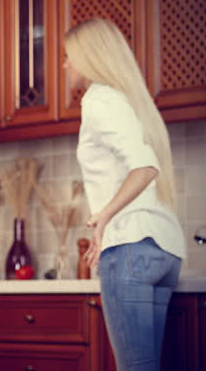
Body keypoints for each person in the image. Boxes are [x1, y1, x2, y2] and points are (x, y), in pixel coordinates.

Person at [64, 18, 186, 370]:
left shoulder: (98, 100)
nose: (65, 64)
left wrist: (104, 217)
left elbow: (145, 167)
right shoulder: (133, 102)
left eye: (69, 55)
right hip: (163, 249)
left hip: (130, 251)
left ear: (88, 57)